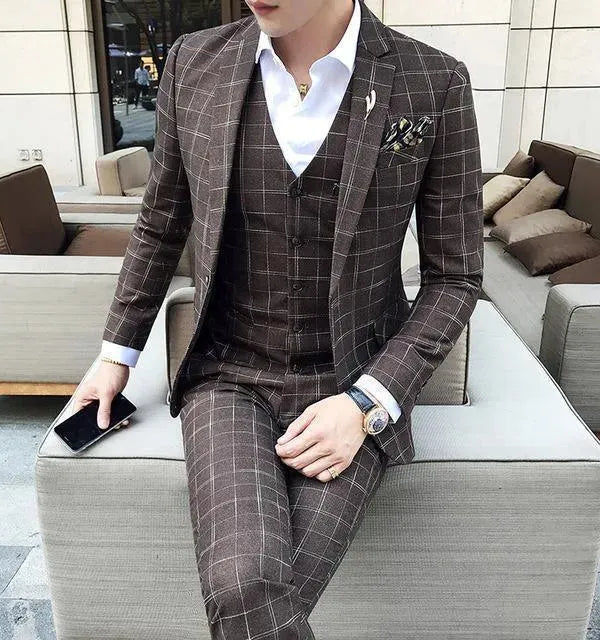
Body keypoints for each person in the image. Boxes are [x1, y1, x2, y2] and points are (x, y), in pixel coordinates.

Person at [72, 0, 483, 637]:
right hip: (229, 373)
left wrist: (368, 401)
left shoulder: (433, 80)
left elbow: (455, 278)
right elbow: (160, 223)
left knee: (262, 592)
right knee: (244, 581)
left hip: (352, 377)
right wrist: (114, 354)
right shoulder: (194, 63)